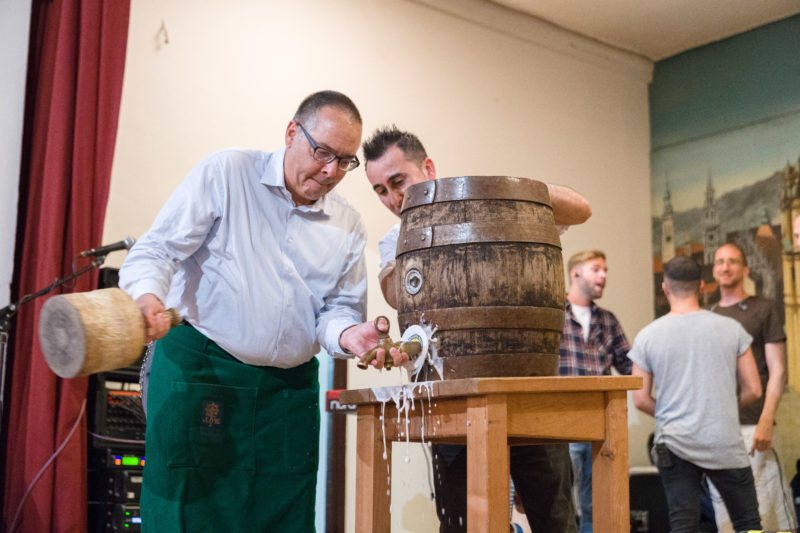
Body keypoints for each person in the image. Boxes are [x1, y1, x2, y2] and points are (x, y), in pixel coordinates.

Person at [118, 91, 408, 532]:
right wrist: (147, 297)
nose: (331, 171)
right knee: (189, 512)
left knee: (281, 515)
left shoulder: (347, 222)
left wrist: (350, 335)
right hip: (204, 372)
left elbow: (337, 310)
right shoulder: (228, 173)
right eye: (322, 152)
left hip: (286, 395)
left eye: (345, 161)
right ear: (292, 132)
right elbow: (156, 250)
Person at [362, 125, 591, 532]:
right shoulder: (396, 238)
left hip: (528, 390)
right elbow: (399, 294)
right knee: (462, 524)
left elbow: (581, 208)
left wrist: (504, 194)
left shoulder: (499, 210)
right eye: (380, 190)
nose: (393, 198)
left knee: (556, 522)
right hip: (453, 401)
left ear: (428, 168)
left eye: (399, 181)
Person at [629, 255, 763, 533]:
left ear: (665, 288)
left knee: (683, 524)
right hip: (724, 441)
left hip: (675, 443)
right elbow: (754, 389)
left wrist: (675, 413)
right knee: (749, 524)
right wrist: (719, 408)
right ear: (702, 286)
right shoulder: (732, 329)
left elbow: (640, 399)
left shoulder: (647, 336)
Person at [708, 243, 797, 532]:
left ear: (744, 269)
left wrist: (766, 421)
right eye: (720, 261)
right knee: (727, 519)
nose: (725, 266)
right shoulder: (707, 314)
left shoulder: (763, 308)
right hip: (718, 429)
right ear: (714, 270)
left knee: (767, 515)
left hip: (755, 427)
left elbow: (778, 370)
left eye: (732, 261)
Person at [559, 250, 632, 532]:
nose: (603, 275)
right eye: (596, 269)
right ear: (575, 273)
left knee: (599, 505)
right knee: (560, 502)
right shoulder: (554, 314)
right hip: (561, 426)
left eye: (605, 270)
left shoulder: (608, 320)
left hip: (601, 429)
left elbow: (631, 368)